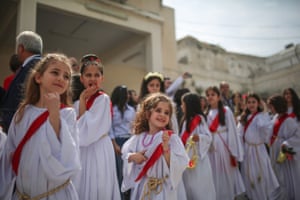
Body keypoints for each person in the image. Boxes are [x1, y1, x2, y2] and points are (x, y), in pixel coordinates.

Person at [0, 53, 81, 200]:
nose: (61, 78)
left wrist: (54, 113)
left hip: (54, 194)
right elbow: (9, 153)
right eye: (55, 72)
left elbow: (65, 158)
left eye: (66, 76)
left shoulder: (68, 114)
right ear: (38, 78)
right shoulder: (23, 113)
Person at [121, 93, 189, 200]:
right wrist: (133, 156)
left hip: (162, 189)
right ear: (148, 114)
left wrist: (166, 149)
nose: (162, 115)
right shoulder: (139, 137)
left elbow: (181, 163)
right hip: (142, 187)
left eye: (166, 113)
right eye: (158, 110)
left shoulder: (172, 138)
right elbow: (125, 152)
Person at [73, 54, 121, 200]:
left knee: (98, 184)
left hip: (98, 147)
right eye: (88, 75)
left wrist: (82, 99)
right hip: (83, 148)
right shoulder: (76, 102)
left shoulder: (103, 99)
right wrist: (82, 99)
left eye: (96, 75)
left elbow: (86, 128)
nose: (92, 79)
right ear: (81, 78)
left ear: (102, 78)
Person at [205, 86, 245, 200]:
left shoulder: (226, 111)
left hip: (224, 146)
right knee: (214, 174)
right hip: (211, 148)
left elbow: (232, 130)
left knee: (226, 173)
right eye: (208, 95)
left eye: (213, 94)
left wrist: (233, 150)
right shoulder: (206, 113)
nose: (210, 97)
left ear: (218, 97)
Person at [237, 93, 279, 200]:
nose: (251, 105)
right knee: (248, 174)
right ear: (246, 104)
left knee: (261, 173)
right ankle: (252, 196)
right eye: (249, 102)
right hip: (247, 149)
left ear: (258, 104)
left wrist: (263, 122)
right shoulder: (243, 117)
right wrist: (240, 150)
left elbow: (266, 130)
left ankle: (263, 196)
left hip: (258, 149)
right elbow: (239, 134)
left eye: (253, 102)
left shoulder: (262, 116)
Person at [0, 31, 43, 132]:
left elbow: (19, 100)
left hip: (18, 127)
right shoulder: (33, 65)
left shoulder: (33, 66)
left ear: (21, 48)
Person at [180, 93, 216, 200]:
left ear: (189, 105)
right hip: (187, 156)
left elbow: (208, 137)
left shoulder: (199, 119)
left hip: (198, 158)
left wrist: (199, 137)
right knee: (189, 185)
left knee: (198, 186)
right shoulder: (185, 120)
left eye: (183, 104)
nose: (181, 106)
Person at [267, 94, 300, 200]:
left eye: (271, 106)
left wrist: (286, 144)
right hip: (274, 151)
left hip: (283, 152)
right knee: (277, 176)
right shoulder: (276, 117)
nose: (270, 109)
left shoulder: (289, 120)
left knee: (284, 177)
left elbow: (298, 136)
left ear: (277, 105)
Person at [109, 85, 136, 200]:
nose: (128, 96)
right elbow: (109, 127)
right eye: (125, 93)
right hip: (118, 141)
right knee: (120, 171)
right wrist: (114, 144)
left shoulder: (131, 109)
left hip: (130, 140)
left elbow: (135, 126)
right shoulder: (112, 109)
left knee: (131, 170)